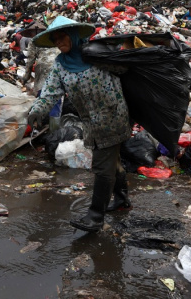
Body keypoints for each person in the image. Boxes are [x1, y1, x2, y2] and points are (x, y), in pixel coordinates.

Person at [27, 16, 131, 233]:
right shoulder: (61, 65)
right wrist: (37, 110)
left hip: (113, 116)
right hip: (90, 121)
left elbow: (125, 70)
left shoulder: (96, 53)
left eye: (62, 37)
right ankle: (121, 198)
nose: (58, 42)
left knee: (103, 167)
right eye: (55, 39)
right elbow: (50, 92)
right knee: (113, 160)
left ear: (74, 36)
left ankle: (95, 217)